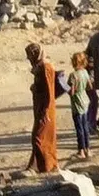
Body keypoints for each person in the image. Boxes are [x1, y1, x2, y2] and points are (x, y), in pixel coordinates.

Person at [25, 43, 59, 173]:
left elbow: (49, 91)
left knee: (39, 138)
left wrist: (45, 111)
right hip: (40, 107)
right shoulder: (40, 67)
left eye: (30, 56)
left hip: (46, 109)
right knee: (42, 138)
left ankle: (44, 166)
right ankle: (40, 165)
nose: (29, 59)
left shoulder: (45, 68)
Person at [69, 52, 92, 159]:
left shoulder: (73, 75)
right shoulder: (85, 72)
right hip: (85, 101)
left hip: (77, 103)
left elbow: (72, 92)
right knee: (85, 126)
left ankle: (81, 151)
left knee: (79, 128)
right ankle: (88, 149)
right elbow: (90, 86)